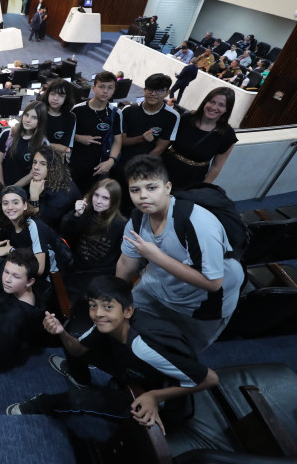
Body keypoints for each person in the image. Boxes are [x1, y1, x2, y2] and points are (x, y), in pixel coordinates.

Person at [6, 276, 218, 437]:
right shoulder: (105, 325)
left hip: (154, 396)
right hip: (131, 369)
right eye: (93, 306)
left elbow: (209, 378)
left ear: (127, 311)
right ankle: (80, 379)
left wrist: (155, 396)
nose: (98, 313)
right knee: (80, 339)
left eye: (107, 307)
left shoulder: (144, 346)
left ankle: (39, 405)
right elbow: (78, 350)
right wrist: (61, 332)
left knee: (81, 400)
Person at [116, 155, 243, 353]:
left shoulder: (198, 223)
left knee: (180, 350)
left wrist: (156, 256)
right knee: (126, 323)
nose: (143, 196)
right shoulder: (137, 219)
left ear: (167, 188)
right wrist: (116, 295)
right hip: (158, 284)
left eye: (151, 188)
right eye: (135, 190)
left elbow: (213, 283)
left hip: (203, 303)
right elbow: (126, 263)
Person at [0, 186, 64, 299]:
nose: (10, 207)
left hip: (45, 278)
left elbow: (39, 269)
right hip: (22, 267)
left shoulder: (34, 226)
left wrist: (11, 251)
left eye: (15, 203)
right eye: (5, 203)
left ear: (24, 205)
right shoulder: (10, 221)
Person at [117, 73, 180, 210]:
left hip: (145, 169)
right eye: (150, 89)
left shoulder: (172, 116)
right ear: (144, 90)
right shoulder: (129, 110)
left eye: (159, 90)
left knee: (132, 206)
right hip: (121, 164)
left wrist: (139, 168)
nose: (153, 94)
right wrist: (141, 138)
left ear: (167, 93)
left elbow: (160, 148)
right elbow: (121, 141)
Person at [59, 178, 127, 300]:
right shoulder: (84, 212)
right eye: (96, 195)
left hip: (99, 273)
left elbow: (121, 258)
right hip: (75, 266)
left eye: (105, 198)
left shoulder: (120, 224)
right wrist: (76, 216)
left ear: (114, 201)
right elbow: (66, 236)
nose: (98, 201)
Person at [162, 87, 237, 190]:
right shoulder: (186, 118)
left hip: (193, 180)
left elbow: (216, 166)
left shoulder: (227, 134)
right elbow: (165, 144)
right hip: (165, 169)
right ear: (206, 102)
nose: (214, 107)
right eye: (212, 102)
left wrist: (203, 187)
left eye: (221, 105)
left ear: (227, 109)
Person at [70, 72, 122, 195]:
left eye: (110, 87)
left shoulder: (116, 113)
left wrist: (111, 161)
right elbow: (66, 135)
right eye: (101, 86)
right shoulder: (78, 109)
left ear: (114, 90)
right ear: (93, 88)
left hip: (99, 168)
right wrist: (78, 138)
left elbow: (118, 141)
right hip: (75, 165)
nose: (105, 91)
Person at [0, 100, 49, 187]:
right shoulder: (8, 134)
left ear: (40, 121)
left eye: (34, 117)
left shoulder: (42, 144)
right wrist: (2, 187)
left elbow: (32, 174)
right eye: (26, 115)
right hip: (2, 184)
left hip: (23, 189)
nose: (28, 120)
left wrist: (12, 189)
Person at [26, 145, 80, 230]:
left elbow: (37, 224)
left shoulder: (63, 194)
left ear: (52, 167)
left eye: (43, 164)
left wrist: (34, 197)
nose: (36, 167)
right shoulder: (47, 179)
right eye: (35, 162)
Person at [38, 80, 77, 156]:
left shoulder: (70, 117)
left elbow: (63, 148)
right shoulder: (39, 111)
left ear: (66, 98)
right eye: (52, 94)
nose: (55, 98)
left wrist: (40, 144)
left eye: (61, 96)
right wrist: (55, 146)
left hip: (55, 158)